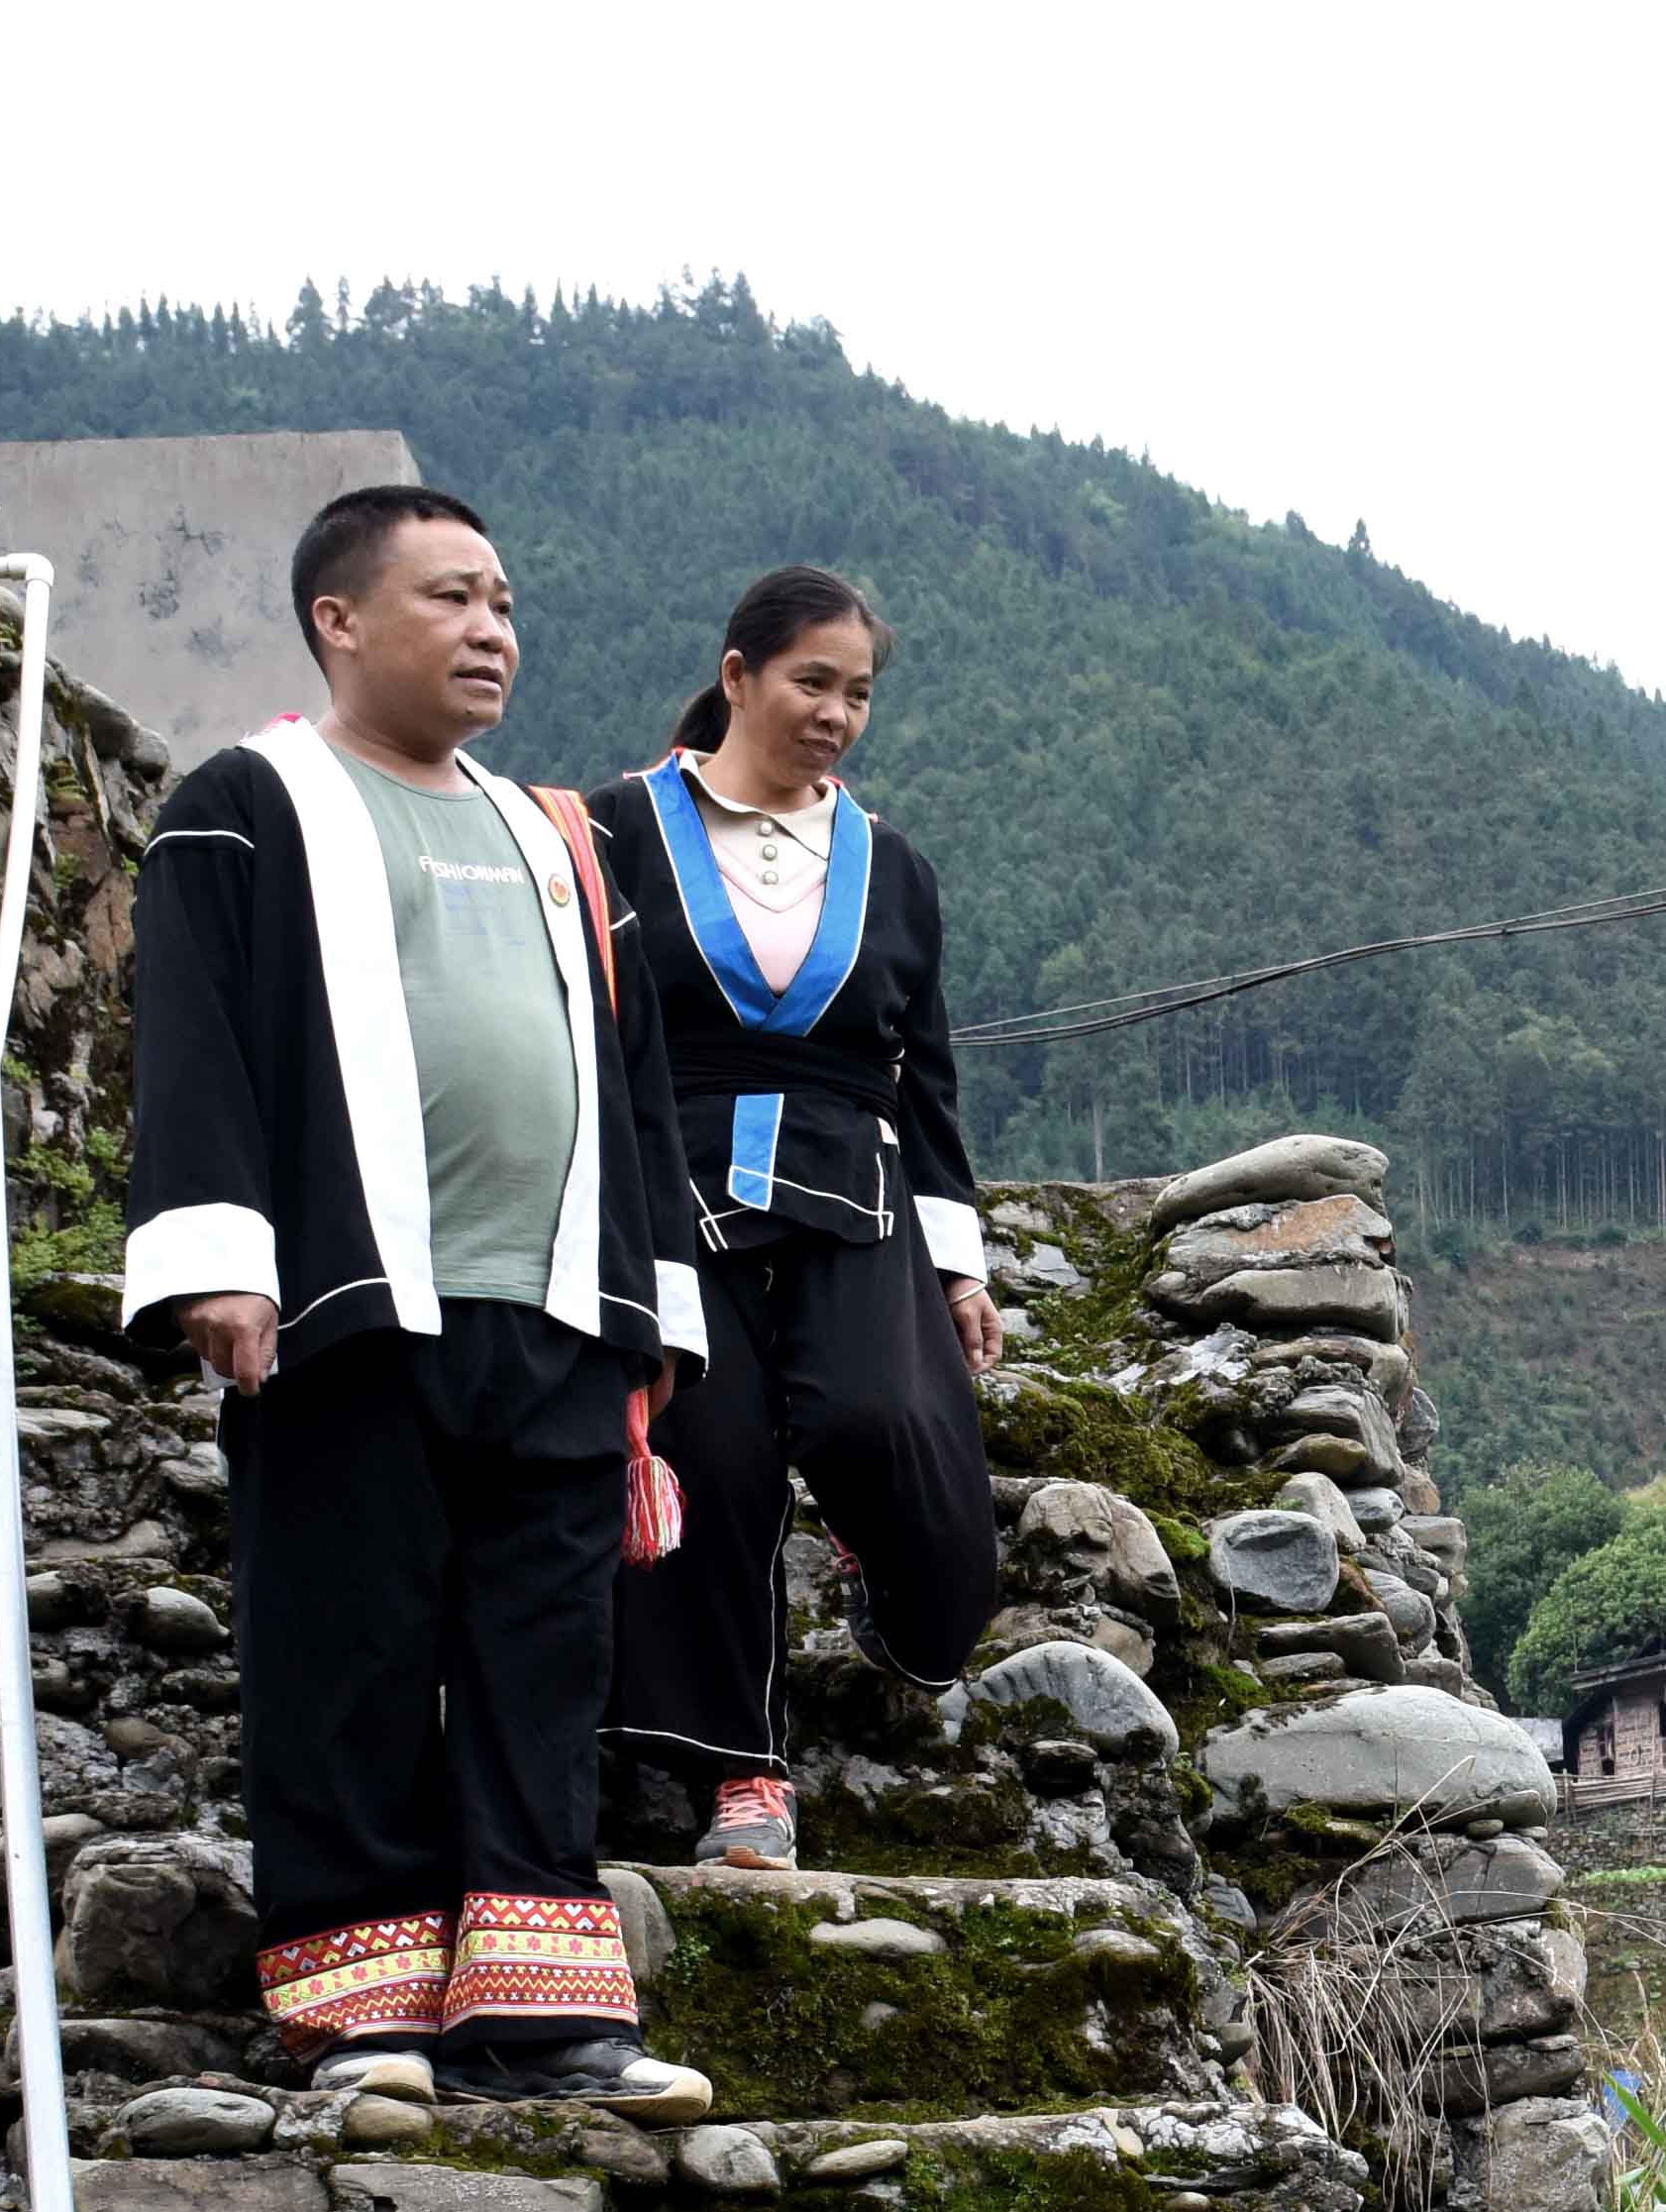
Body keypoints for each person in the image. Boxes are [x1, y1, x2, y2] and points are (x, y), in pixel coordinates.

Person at [115, 482, 714, 2113]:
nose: (491, 629)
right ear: (339, 619)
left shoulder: (559, 836)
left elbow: (636, 1076)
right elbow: (192, 1038)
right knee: (346, 1643)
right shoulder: (247, 802)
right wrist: (219, 1254)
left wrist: (654, 1303)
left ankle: (544, 2018)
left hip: (561, 1309)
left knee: (545, 1653)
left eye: (502, 601)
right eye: (451, 597)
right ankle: (360, 2014)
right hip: (350, 1301)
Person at [582, 564, 1006, 1870]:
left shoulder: (895, 868)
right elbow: (584, 1035)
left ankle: (893, 1590)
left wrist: (957, 1264)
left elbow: (925, 1077)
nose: (835, 714)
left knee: (884, 1420)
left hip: (854, 1188)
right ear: (738, 676)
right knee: (712, 1459)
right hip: (669, 1184)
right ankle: (743, 1774)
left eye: (858, 694)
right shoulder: (610, 832)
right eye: (811, 682)